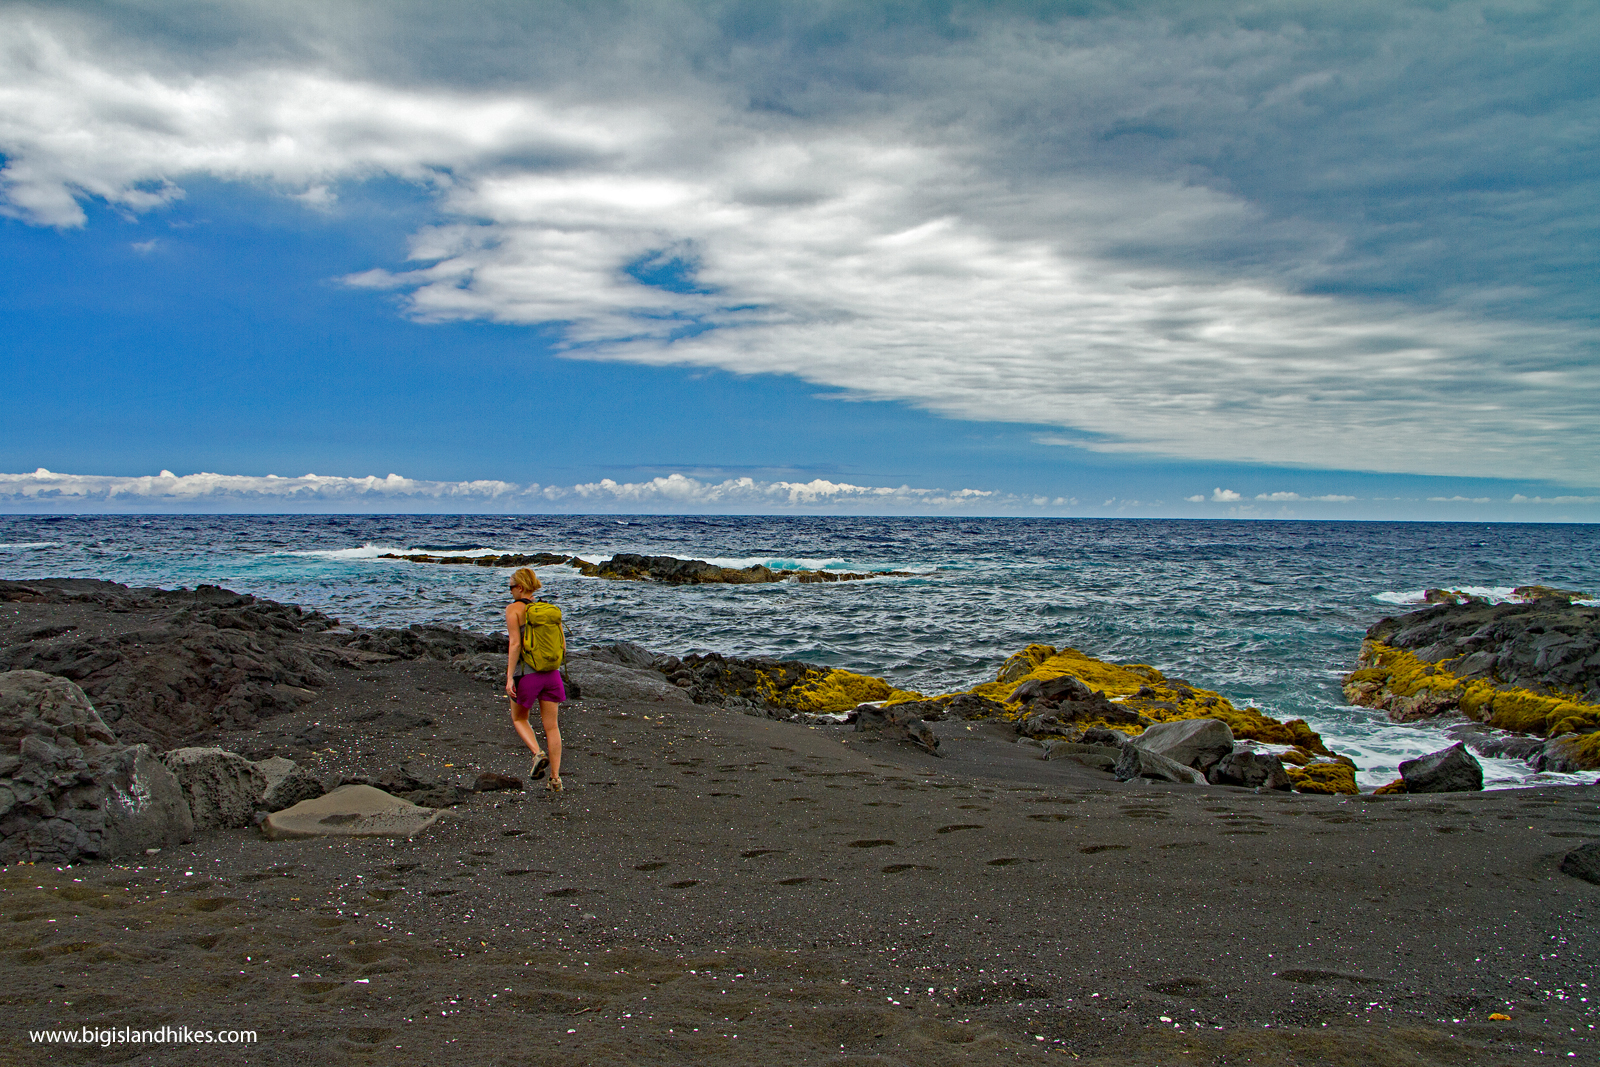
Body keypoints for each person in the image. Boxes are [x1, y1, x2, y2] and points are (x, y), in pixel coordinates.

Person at [504, 567, 565, 792]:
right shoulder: (549, 610)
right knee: (552, 727)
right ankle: (555, 779)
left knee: (519, 718)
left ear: (520, 587)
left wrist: (510, 676)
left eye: (511, 587)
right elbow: (562, 645)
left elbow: (515, 644)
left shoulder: (513, 610)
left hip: (527, 674)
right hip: (551, 675)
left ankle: (537, 754)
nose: (510, 592)